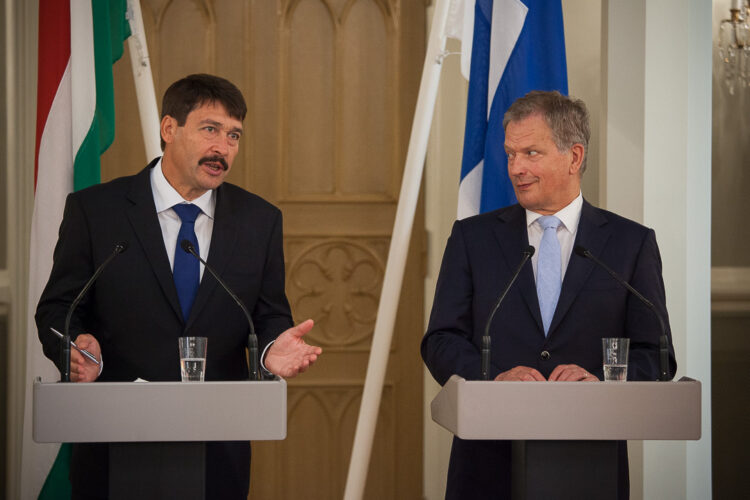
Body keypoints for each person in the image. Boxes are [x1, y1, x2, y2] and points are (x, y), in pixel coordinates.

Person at [35, 74, 322, 499]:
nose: (223, 149)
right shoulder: (97, 210)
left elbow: (268, 313)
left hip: (218, 444)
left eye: (234, 135)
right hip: (115, 438)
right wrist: (74, 345)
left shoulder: (259, 220)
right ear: (169, 129)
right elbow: (57, 308)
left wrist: (269, 349)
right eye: (211, 130)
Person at [421, 90, 677, 499]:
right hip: (487, 466)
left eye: (531, 153)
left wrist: (598, 380)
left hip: (589, 464)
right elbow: (441, 340)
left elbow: (656, 354)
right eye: (510, 155)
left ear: (574, 156)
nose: (516, 168)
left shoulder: (630, 244)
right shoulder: (473, 238)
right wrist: (493, 378)